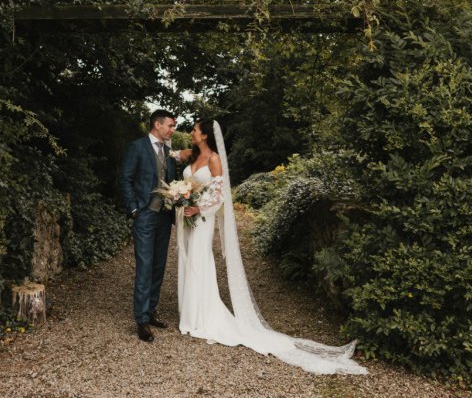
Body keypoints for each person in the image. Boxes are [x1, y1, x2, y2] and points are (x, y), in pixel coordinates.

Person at [173, 119, 367, 374]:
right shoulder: (192, 155)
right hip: (188, 215)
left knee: (199, 260)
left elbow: (219, 196)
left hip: (203, 217)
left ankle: (201, 316)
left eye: (195, 129)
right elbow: (173, 158)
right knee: (187, 259)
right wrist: (178, 191)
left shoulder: (214, 160)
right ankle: (188, 313)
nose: (191, 132)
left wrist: (198, 207)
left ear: (206, 135)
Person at [119, 109, 177, 342]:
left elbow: (171, 181)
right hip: (144, 215)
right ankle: (141, 320)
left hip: (164, 217)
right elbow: (124, 179)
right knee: (145, 265)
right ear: (157, 124)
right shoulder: (137, 147)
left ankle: (152, 310)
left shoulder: (169, 151)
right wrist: (134, 209)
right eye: (170, 125)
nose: (173, 129)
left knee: (159, 265)